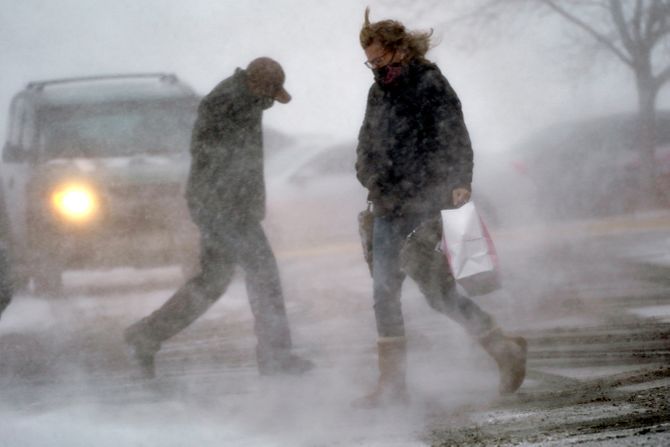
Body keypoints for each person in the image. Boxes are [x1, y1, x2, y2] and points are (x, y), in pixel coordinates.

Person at [354, 9, 527, 407]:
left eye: (379, 59)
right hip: (385, 206)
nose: (375, 68)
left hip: (423, 205)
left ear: (398, 50)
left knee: (440, 294)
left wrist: (459, 182)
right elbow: (365, 142)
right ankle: (393, 386)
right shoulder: (377, 91)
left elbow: (455, 137)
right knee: (383, 293)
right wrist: (368, 175)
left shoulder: (430, 83)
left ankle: (504, 348)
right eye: (370, 62)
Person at [124, 57, 314, 379]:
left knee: (211, 283)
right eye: (269, 96)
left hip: (224, 207)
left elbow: (236, 159)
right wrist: (233, 204)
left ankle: (147, 335)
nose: (270, 104)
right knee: (263, 275)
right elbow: (215, 156)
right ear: (257, 85)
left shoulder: (245, 99)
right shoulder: (229, 102)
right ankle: (276, 358)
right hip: (224, 208)